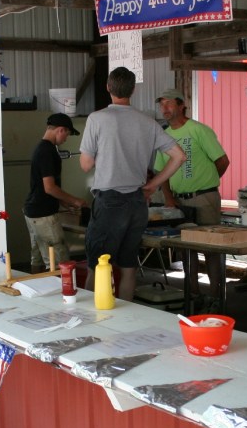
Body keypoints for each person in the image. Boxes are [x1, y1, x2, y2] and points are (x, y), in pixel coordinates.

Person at [79, 66, 186, 301]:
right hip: (138, 202)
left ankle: (87, 322)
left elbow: (85, 165)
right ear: (133, 90)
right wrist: (152, 185)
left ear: (108, 87)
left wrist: (104, 154)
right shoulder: (147, 122)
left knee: (97, 266)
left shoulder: (97, 119)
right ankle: (127, 321)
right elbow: (179, 156)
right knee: (128, 266)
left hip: (109, 201)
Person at [154, 89, 230, 308]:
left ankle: (216, 296)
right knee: (187, 248)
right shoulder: (164, 135)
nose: (165, 108)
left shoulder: (199, 130)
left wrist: (206, 183)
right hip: (178, 201)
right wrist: (168, 197)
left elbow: (222, 161)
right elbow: (162, 172)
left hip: (203, 198)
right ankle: (193, 294)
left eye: (169, 103)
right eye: (162, 104)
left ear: (181, 105)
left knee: (212, 248)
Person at [23, 113, 87, 272]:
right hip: (43, 215)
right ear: (61, 130)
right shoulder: (47, 151)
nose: (66, 139)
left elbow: (45, 187)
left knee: (37, 257)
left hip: (33, 211)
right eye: (67, 134)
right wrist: (75, 200)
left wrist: (64, 202)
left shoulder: (42, 148)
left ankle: (36, 293)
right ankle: (61, 295)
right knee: (60, 261)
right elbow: (49, 187)